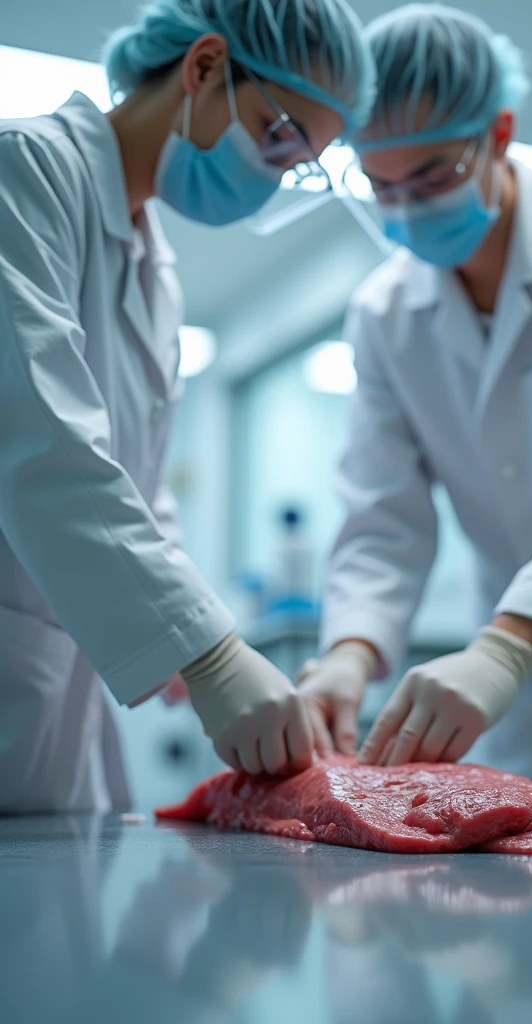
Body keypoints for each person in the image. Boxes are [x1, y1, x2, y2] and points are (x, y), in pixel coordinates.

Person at [298, 4, 532, 812]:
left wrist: (509, 648)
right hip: (522, 705)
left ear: (499, 134)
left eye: (433, 176)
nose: (405, 208)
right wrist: (349, 650)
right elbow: (383, 516)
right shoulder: (383, 313)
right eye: (381, 185)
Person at [0, 0, 375, 812]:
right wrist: (204, 653)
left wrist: (205, 645)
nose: (275, 174)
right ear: (204, 67)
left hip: (49, 692)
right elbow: (36, 438)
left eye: (298, 162)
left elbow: (138, 490)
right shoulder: (23, 173)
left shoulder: (155, 266)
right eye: (281, 137)